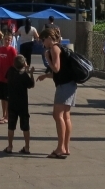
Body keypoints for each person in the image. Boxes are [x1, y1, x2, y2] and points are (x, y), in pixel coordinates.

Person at [37, 26, 73, 158]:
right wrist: (46, 76)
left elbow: (57, 69)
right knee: (66, 116)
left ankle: (60, 148)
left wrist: (47, 58)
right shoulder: (61, 47)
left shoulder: (54, 49)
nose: (43, 43)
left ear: (48, 38)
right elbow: (60, 71)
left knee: (57, 115)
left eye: (43, 40)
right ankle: (66, 147)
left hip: (64, 86)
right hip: (70, 84)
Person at [3, 55, 35, 154]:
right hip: (23, 104)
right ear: (24, 64)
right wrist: (30, 73)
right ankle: (27, 147)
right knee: (25, 126)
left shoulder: (10, 72)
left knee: (11, 126)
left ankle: (10, 146)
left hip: (12, 103)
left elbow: (6, 76)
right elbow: (31, 85)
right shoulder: (24, 75)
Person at [0, 33, 18, 124]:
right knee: (2, 98)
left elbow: (15, 64)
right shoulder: (0, 49)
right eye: (6, 39)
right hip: (0, 77)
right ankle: (3, 115)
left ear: (11, 41)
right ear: (3, 40)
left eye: (9, 39)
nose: (7, 41)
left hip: (9, 78)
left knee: (8, 98)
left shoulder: (12, 50)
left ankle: (8, 116)